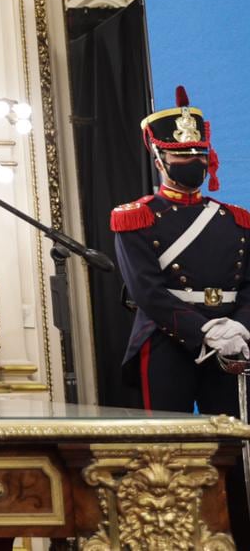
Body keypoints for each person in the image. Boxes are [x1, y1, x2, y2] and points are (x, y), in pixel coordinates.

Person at [112, 86, 250, 541]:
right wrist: (205, 328)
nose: (191, 160)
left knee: (232, 450)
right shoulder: (135, 217)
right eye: (180, 153)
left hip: (232, 345)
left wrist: (239, 327)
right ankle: (166, 538)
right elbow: (147, 293)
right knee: (166, 449)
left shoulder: (236, 220)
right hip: (168, 340)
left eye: (197, 152)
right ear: (159, 157)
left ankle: (235, 535)